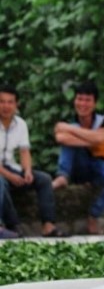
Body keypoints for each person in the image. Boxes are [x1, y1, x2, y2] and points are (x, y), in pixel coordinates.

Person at [52, 81, 104, 235]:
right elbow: (61, 138)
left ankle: (94, 215)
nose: (82, 104)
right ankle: (62, 175)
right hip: (76, 164)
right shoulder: (69, 117)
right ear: (75, 100)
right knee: (72, 138)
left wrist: (70, 129)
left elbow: (101, 138)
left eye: (87, 100)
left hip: (98, 165)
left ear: (94, 103)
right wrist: (91, 138)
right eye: (79, 99)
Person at [0, 84, 65, 237]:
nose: (6, 106)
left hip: (10, 166)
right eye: (2, 101)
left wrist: (27, 171)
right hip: (2, 173)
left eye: (10, 102)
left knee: (43, 179)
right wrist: (10, 176)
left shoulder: (20, 124)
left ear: (17, 104)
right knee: (1, 181)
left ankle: (48, 226)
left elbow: (24, 151)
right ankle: (10, 225)